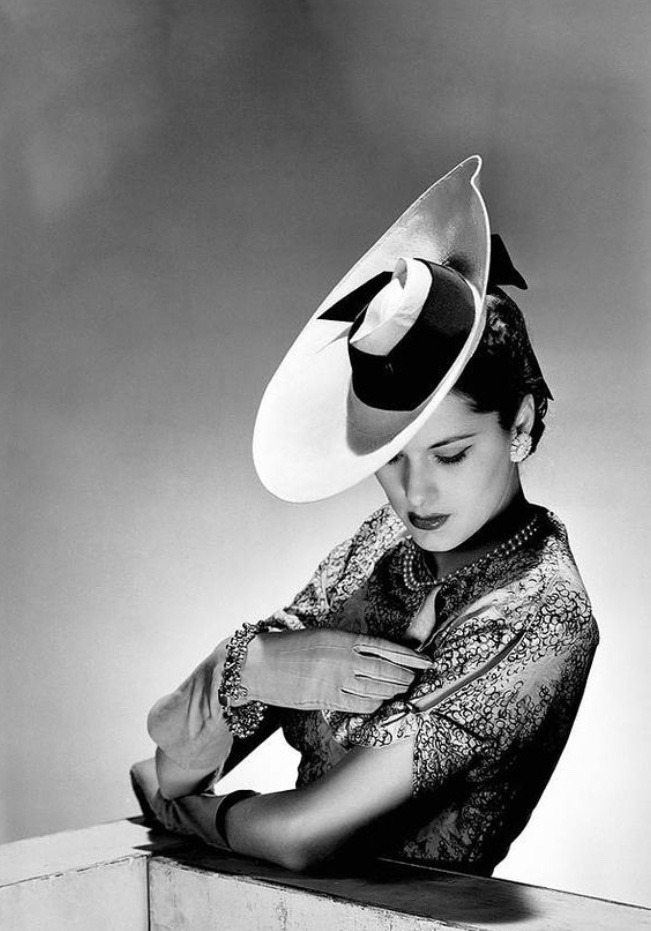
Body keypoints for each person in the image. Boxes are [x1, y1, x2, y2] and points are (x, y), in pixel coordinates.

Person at [130, 157, 598, 877]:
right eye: (390, 459)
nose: (416, 495)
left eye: (450, 454)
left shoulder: (543, 615)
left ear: (523, 425)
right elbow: (172, 768)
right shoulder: (385, 546)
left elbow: (300, 835)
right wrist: (251, 666)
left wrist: (183, 815)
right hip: (260, 915)